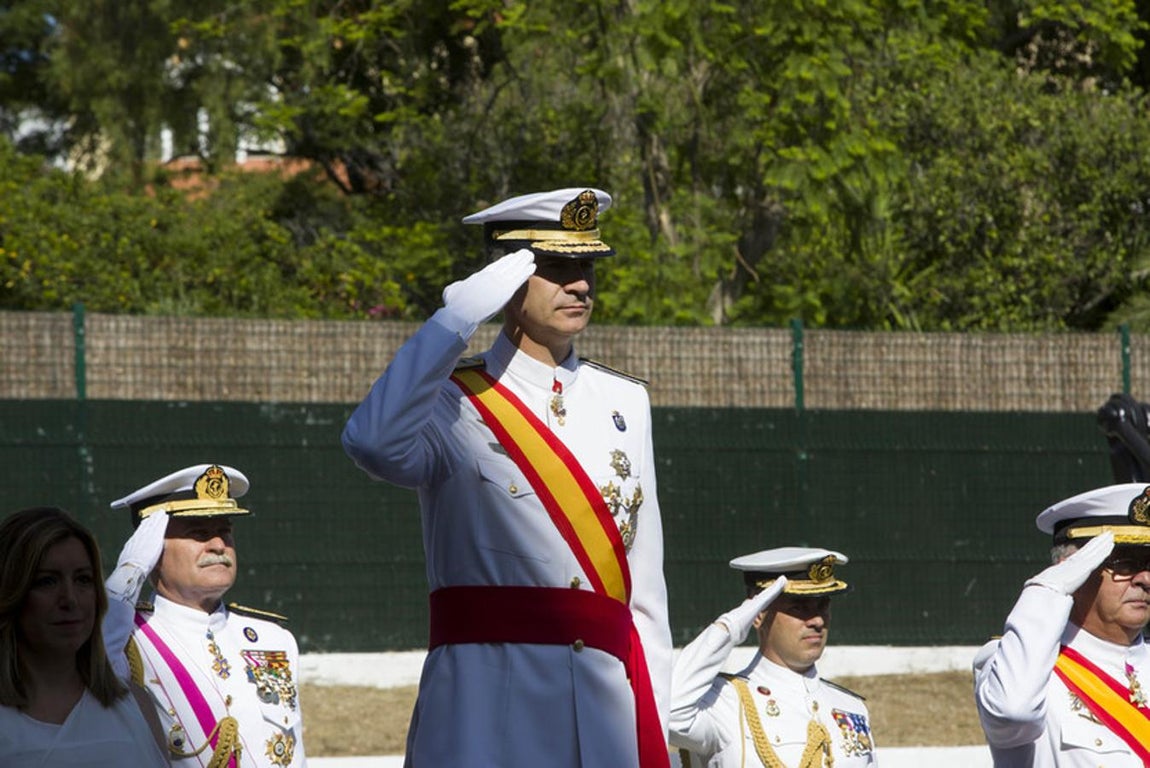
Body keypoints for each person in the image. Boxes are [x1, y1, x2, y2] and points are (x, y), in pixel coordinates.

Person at [342, 187, 672, 768]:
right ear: (507, 276)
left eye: (587, 265)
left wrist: (653, 721)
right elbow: (370, 443)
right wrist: (454, 321)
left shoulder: (627, 401)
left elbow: (644, 594)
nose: (581, 284)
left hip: (604, 712)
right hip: (486, 706)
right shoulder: (450, 403)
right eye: (556, 267)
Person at [102, 463, 308, 768]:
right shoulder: (126, 639)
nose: (218, 545)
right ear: (153, 550)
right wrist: (129, 573)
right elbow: (79, 657)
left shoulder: (274, 638)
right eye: (198, 533)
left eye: (225, 531)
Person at [973, 483, 1150, 766]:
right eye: (1125, 563)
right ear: (1075, 571)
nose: (1145, 580)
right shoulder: (1022, 666)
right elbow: (1013, 712)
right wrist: (1048, 589)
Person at [669, 547, 876, 767]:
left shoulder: (851, 708)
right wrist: (731, 626)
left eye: (822, 606)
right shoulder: (724, 702)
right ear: (758, 613)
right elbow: (670, 713)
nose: (817, 621)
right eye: (799, 608)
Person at [0, 506, 167, 767]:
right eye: (46, 581)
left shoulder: (136, 704)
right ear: (12, 592)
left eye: (83, 580)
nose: (70, 599)